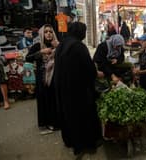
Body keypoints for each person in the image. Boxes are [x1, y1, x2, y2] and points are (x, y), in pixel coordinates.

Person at [54, 22, 102, 156]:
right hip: (79, 90)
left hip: (64, 88)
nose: (85, 34)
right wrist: (96, 73)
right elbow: (89, 69)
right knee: (84, 115)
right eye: (84, 31)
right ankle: (85, 144)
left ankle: (71, 142)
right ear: (80, 32)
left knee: (69, 115)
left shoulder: (62, 45)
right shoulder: (78, 46)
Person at [25, 24, 60, 134]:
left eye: (50, 31)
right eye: (46, 32)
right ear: (42, 33)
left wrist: (59, 48)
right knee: (44, 100)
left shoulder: (57, 44)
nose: (49, 34)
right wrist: (41, 52)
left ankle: (55, 123)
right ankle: (44, 124)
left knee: (54, 100)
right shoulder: (38, 45)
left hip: (55, 77)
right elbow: (28, 58)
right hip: (43, 78)